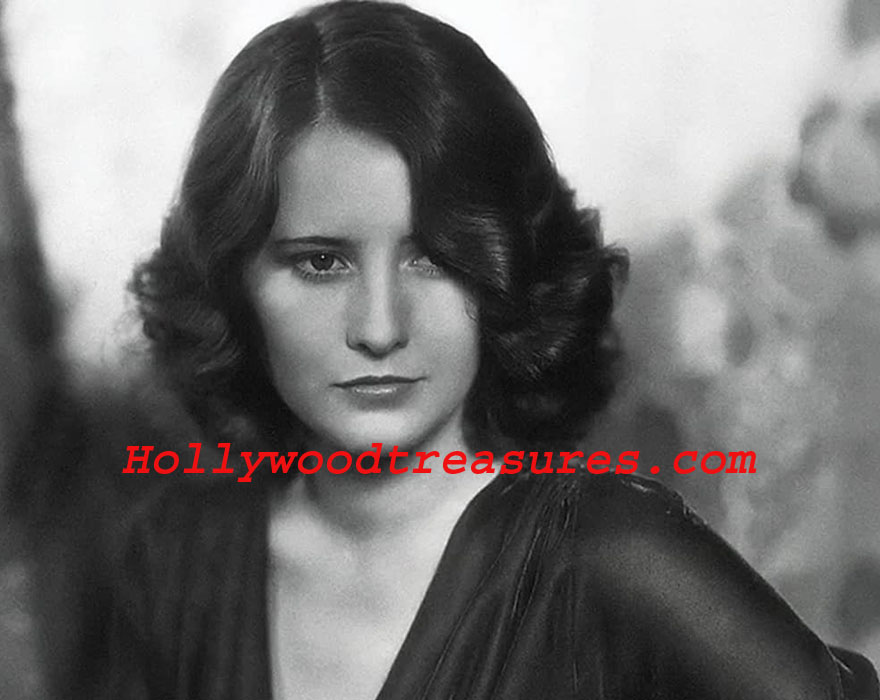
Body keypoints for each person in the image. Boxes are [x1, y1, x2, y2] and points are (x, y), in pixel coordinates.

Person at [77, 1, 878, 698]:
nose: (380, 327)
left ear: (509, 267)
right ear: (231, 280)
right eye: (321, 262)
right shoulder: (177, 563)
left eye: (435, 257)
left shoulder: (611, 553)